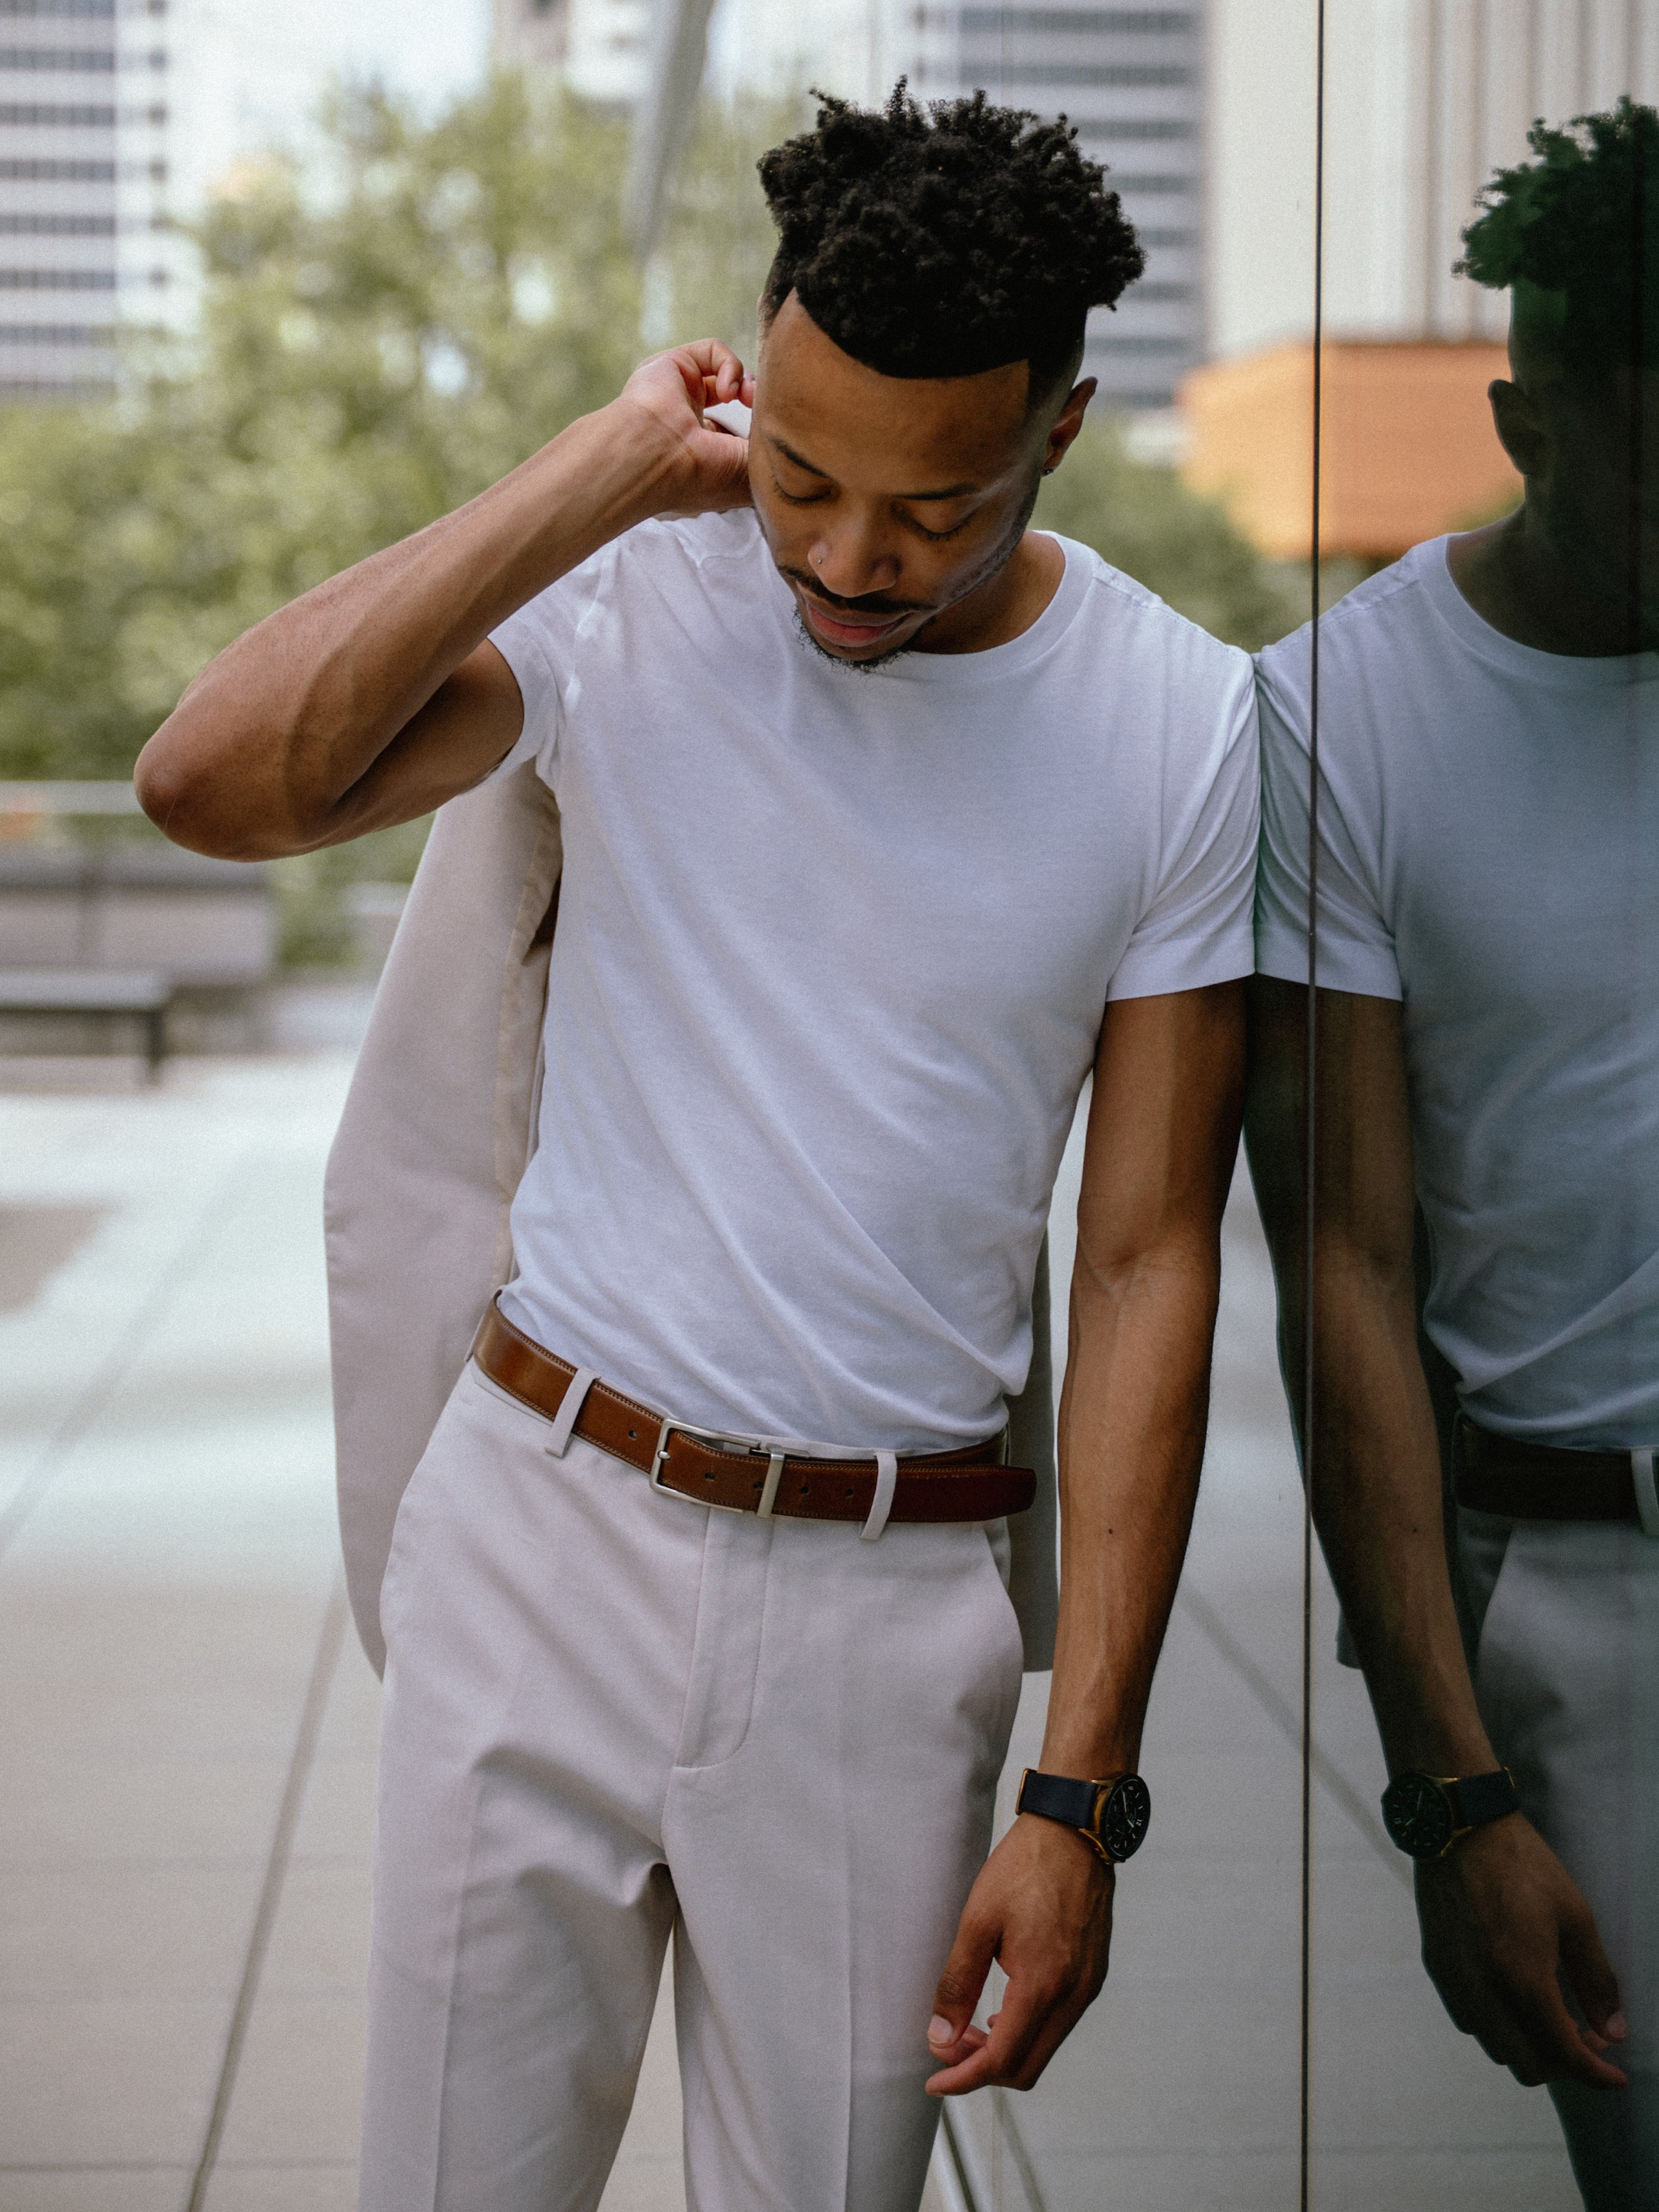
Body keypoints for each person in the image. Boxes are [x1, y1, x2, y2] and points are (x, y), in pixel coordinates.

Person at [137, 86, 1258, 2212]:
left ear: (1062, 430)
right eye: (802, 479)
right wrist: (598, 468)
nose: (845, 560)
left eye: (932, 508)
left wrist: (1080, 1793)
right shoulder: (637, 587)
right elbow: (215, 783)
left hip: (887, 1607)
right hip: (539, 1526)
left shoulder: (1183, 726)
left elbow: (1146, 1265)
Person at [1247, 97, 1658, 2209]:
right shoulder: (1343, 719)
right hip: (1581, 1587)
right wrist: (1452, 1795)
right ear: (1526, 421)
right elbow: (1343, 1267)